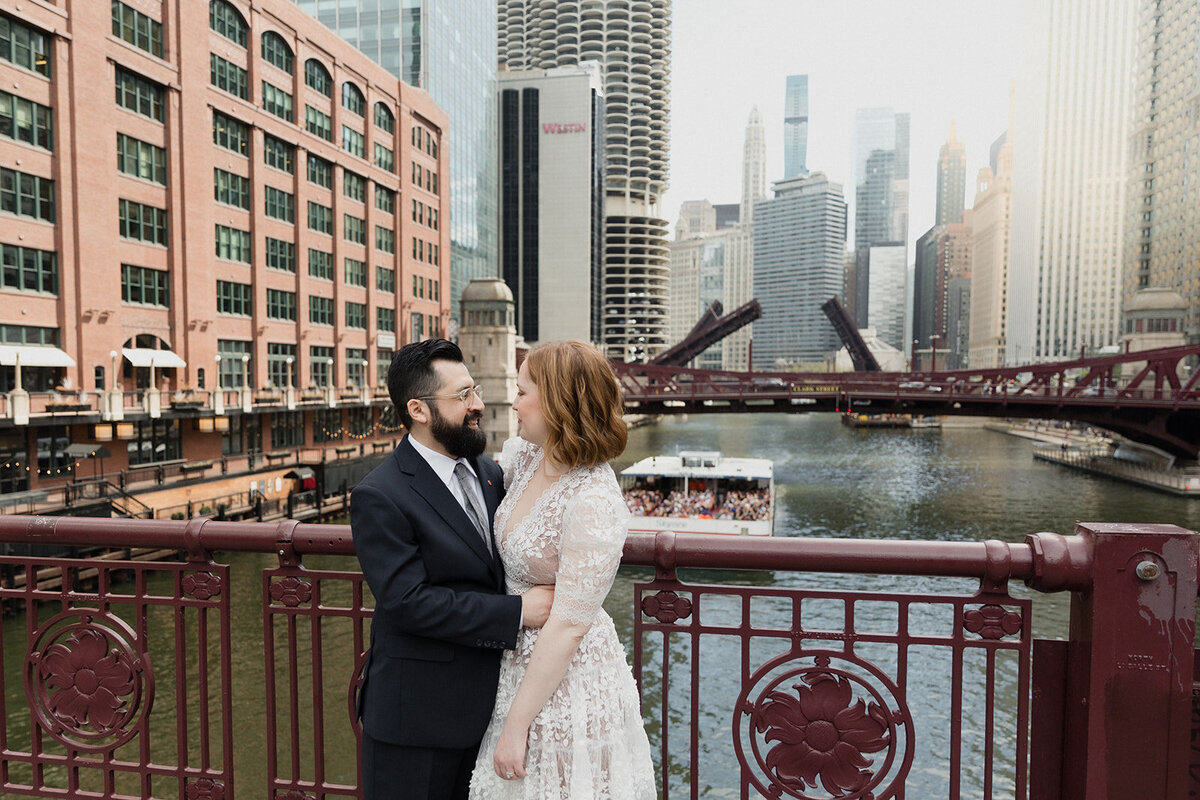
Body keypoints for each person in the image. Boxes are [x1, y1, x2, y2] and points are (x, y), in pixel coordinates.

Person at [351, 339, 555, 800]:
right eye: (462, 396)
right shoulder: (379, 495)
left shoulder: (489, 472)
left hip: (492, 715)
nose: (478, 404)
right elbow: (407, 603)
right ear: (418, 410)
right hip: (416, 724)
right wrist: (516, 612)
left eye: (474, 389)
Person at [470, 340, 655, 799]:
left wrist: (517, 725)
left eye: (523, 390)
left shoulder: (593, 500)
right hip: (509, 657)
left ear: (558, 401)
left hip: (566, 680)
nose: (512, 401)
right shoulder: (522, 456)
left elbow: (571, 623)